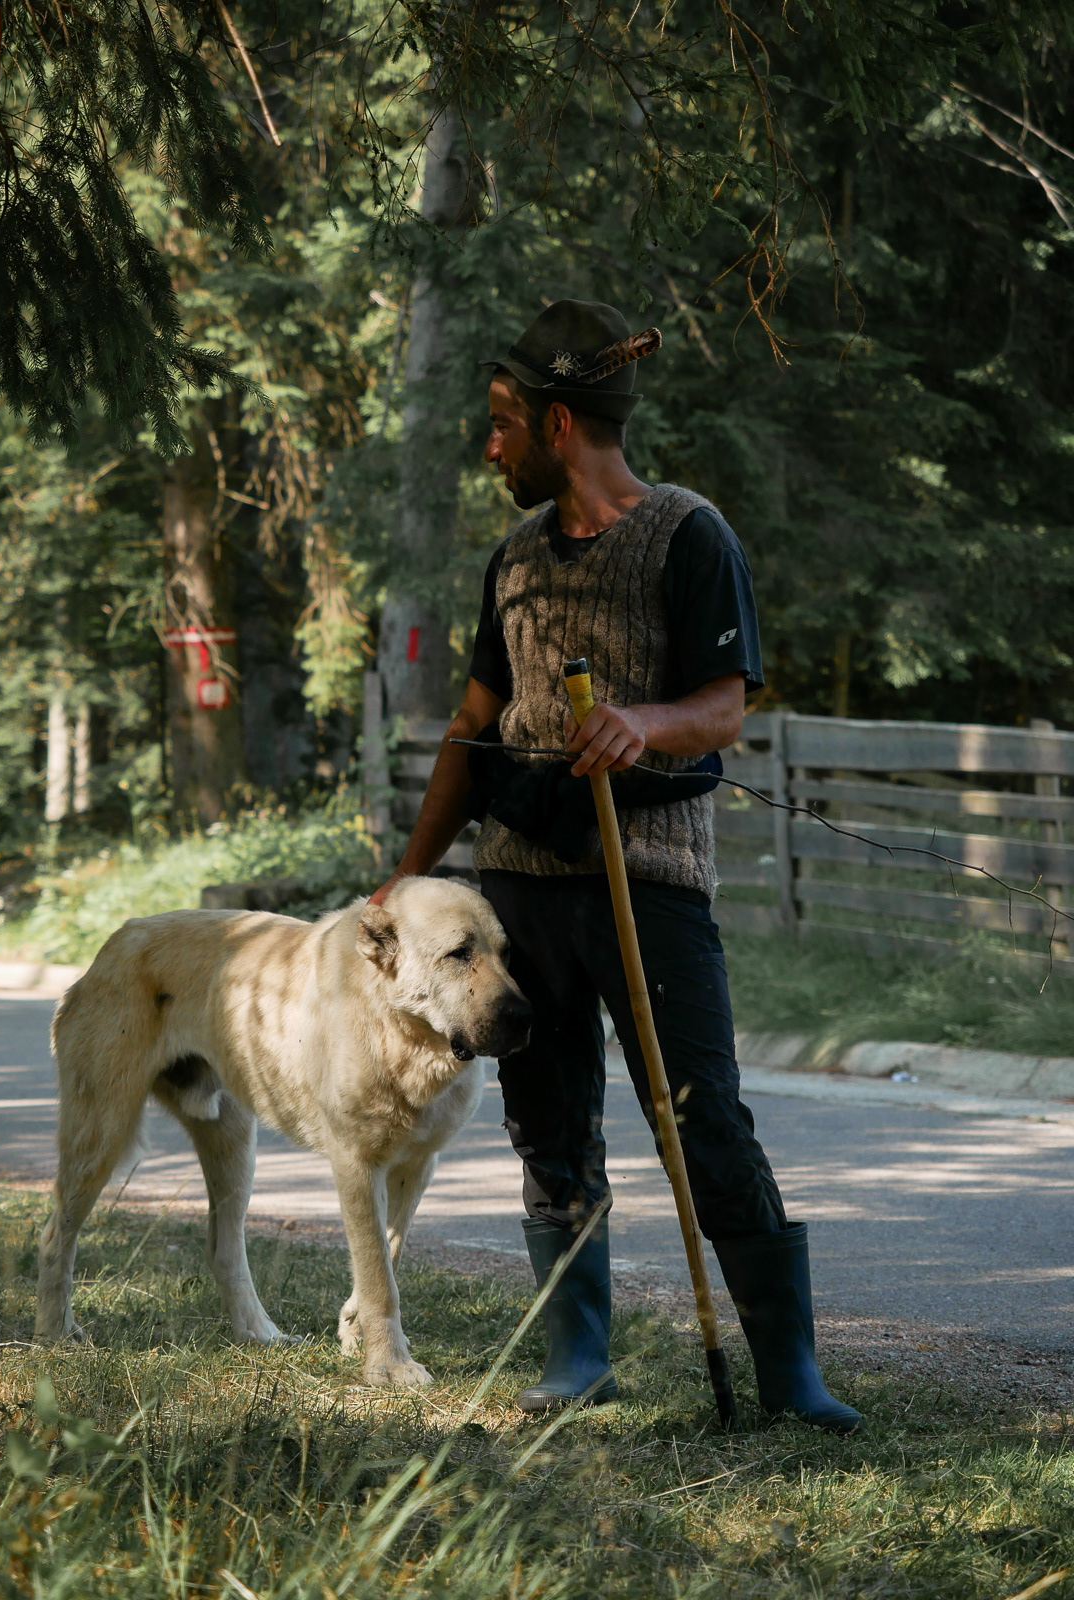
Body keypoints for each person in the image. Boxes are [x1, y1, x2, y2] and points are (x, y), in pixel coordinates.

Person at [371, 299, 861, 1431]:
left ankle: (789, 1375)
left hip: (650, 881)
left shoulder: (690, 535)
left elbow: (723, 708)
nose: (489, 446)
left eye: (502, 424)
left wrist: (643, 723)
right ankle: (576, 1358)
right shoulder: (510, 562)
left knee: (704, 1120)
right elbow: (470, 730)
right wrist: (404, 878)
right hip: (516, 894)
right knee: (544, 1121)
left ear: (556, 423)